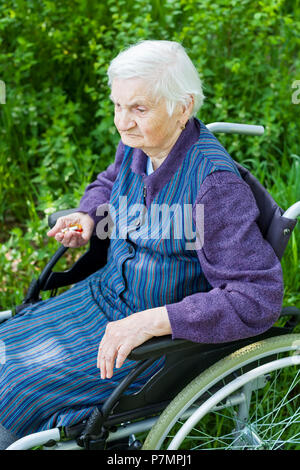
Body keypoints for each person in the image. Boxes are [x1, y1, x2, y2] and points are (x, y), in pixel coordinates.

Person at [0, 40, 283, 448]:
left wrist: (154, 320)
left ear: (183, 107)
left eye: (139, 109)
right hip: (100, 298)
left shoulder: (214, 186)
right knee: (6, 347)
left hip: (155, 344)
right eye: (118, 106)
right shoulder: (138, 146)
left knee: (15, 391)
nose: (123, 122)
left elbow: (257, 297)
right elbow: (109, 182)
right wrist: (88, 215)